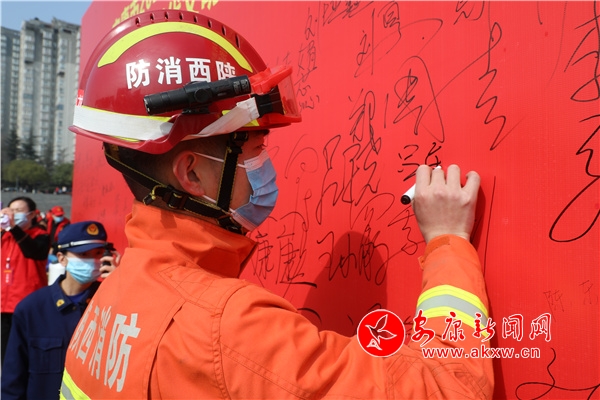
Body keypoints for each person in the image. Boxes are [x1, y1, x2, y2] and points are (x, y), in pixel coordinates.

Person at [61, 10, 493, 399]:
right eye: (254, 149)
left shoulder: (111, 298)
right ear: (191, 174)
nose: (264, 168)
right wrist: (448, 241)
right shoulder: (228, 328)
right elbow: (447, 388)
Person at [1, 221, 119, 400]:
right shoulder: (32, 308)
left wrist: (121, 285)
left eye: (98, 253)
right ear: (62, 258)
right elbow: (13, 379)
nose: (93, 261)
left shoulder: (113, 304)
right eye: (83, 254)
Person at [1, 196, 50, 367]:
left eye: (18, 211)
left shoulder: (40, 235)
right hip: (4, 304)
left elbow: (34, 252)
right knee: (6, 354)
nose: (13, 214)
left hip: (29, 302)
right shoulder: (5, 236)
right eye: (11, 211)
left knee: (27, 352)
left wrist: (13, 227)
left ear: (31, 215)